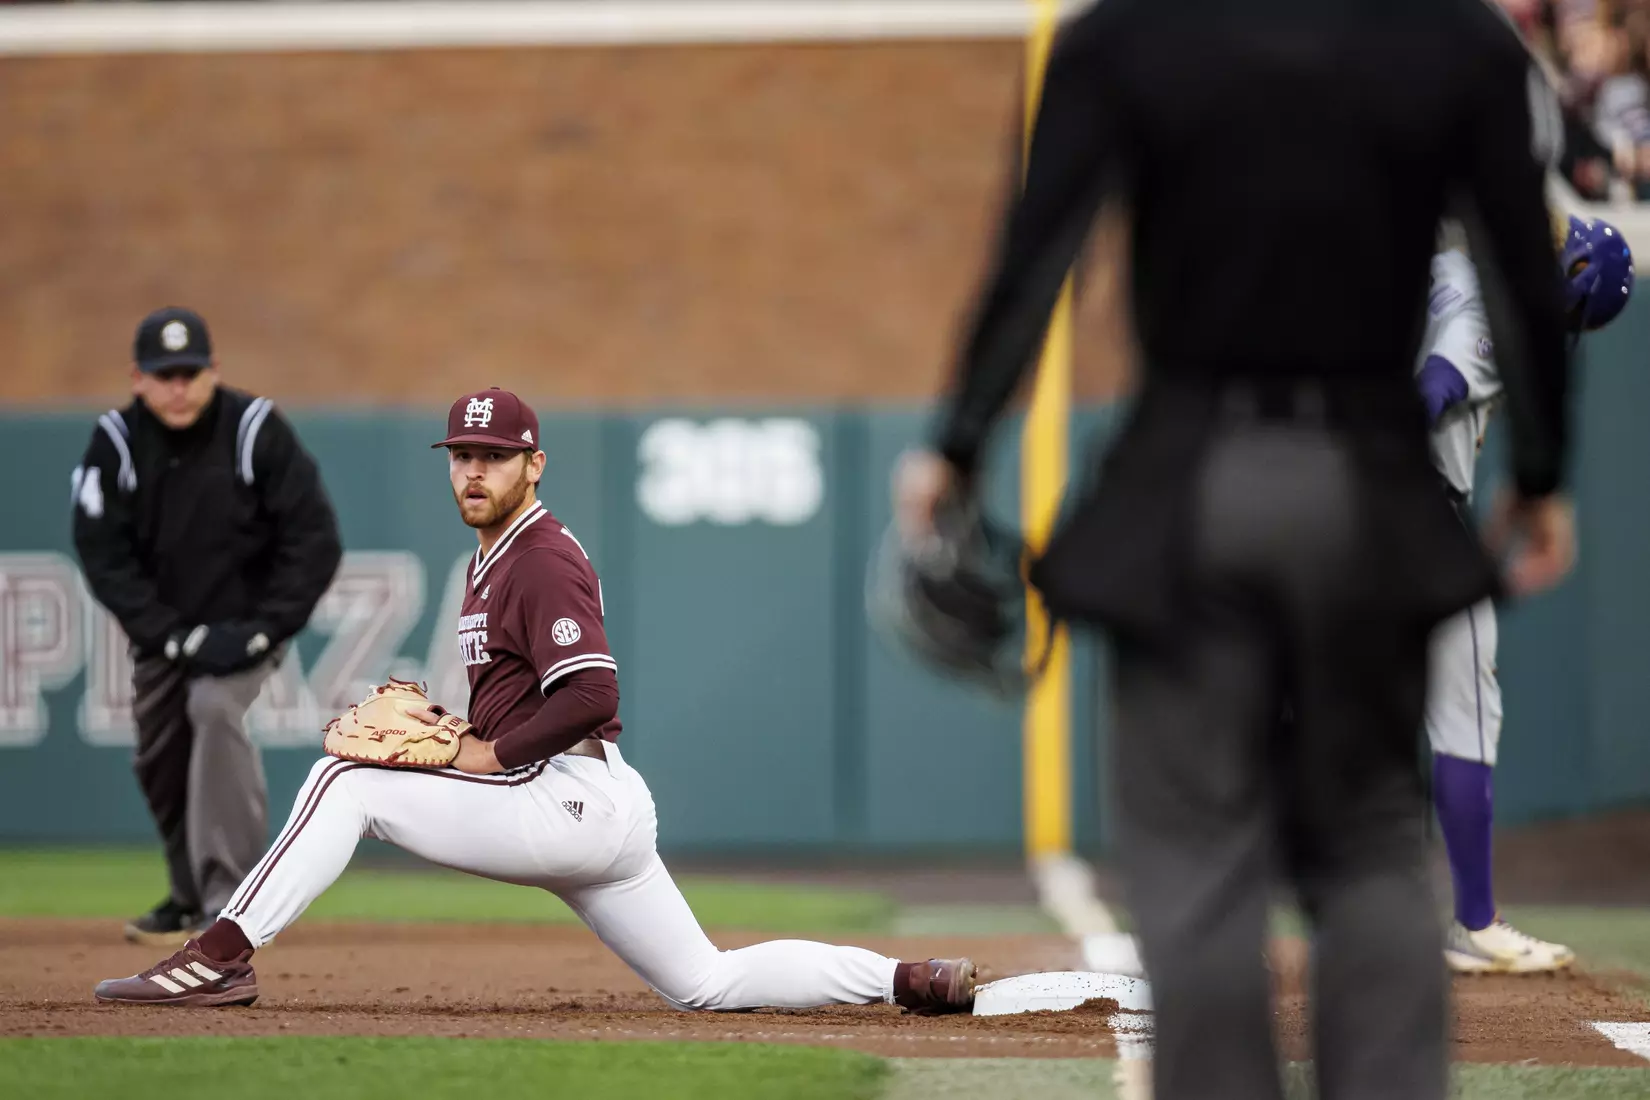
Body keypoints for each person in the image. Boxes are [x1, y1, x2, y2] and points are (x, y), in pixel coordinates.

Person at [889, 2, 1578, 1098]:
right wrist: (1542, 474)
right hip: (1370, 485)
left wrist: (959, 447)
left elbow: (1039, 251)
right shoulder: (1457, 38)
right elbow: (1521, 271)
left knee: (1199, 855)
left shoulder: (1125, 35)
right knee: (1372, 841)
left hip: (1190, 481)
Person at [91, 387, 977, 1018]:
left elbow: (594, 692)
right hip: (595, 806)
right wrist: (472, 731)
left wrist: (486, 753)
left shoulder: (540, 554)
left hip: (562, 795)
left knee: (344, 781)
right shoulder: (493, 558)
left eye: (493, 456)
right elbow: (535, 700)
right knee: (705, 981)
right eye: (462, 456)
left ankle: (220, 957)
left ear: (534, 463)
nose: (474, 470)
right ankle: (905, 979)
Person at [71, 306, 343, 946]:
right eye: (164, 375)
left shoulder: (252, 429)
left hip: (245, 629)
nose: (178, 387)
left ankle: (234, 905)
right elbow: (103, 554)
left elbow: (314, 540)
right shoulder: (116, 441)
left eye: (190, 372)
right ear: (138, 379)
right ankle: (190, 895)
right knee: (158, 754)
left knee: (215, 709)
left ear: (213, 371)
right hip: (165, 636)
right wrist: (171, 634)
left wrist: (263, 629)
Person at [1420, 214, 1633, 974]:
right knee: (1469, 711)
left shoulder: (1451, 273)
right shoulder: (1491, 312)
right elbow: (1437, 386)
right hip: (1413, 515)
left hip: (1354, 505)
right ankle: (1475, 922)